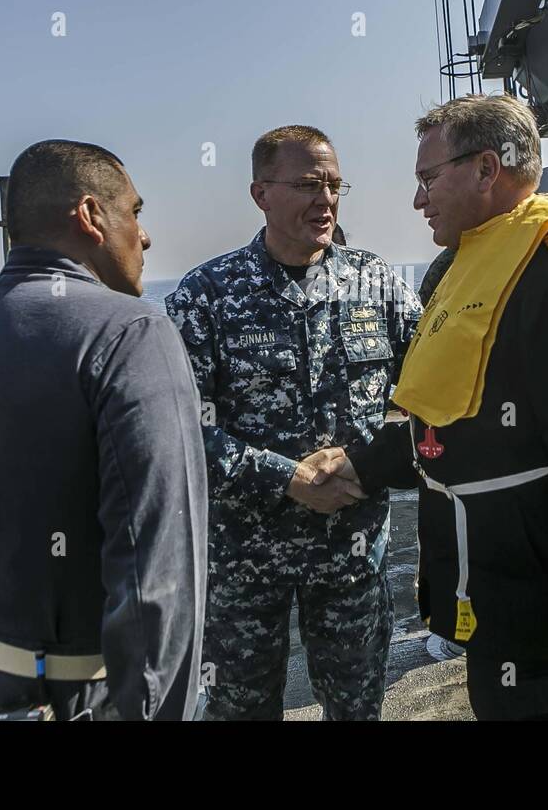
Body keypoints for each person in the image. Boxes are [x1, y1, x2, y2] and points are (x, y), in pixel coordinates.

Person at [326, 94, 548, 720]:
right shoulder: (464, 270)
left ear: (488, 169)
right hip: (497, 610)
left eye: (428, 179)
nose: (417, 199)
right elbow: (461, 422)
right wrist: (360, 466)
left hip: (547, 619)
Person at [0, 139, 206, 721]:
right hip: (84, 697)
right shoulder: (132, 333)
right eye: (135, 213)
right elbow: (158, 570)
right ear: (91, 216)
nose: (145, 236)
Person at [166, 125, 421, 720]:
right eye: (308, 184)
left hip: (352, 551)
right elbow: (179, 426)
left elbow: (426, 392)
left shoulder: (376, 281)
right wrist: (285, 477)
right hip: (244, 558)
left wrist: (366, 460)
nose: (326, 200)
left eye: (334, 185)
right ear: (261, 194)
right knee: (240, 710)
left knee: (358, 708)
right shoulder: (206, 294)